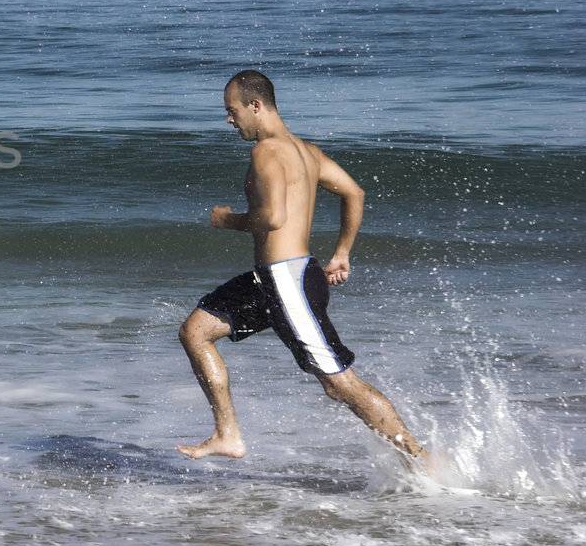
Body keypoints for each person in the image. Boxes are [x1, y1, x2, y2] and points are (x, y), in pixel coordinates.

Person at [176, 69, 424, 461]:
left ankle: (421, 460)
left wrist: (229, 220)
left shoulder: (266, 151)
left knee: (340, 384)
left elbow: (271, 218)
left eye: (232, 110)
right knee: (196, 331)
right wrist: (342, 252)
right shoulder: (307, 151)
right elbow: (354, 192)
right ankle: (227, 434)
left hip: (286, 279)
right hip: (279, 278)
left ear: (255, 106)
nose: (229, 119)